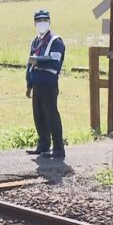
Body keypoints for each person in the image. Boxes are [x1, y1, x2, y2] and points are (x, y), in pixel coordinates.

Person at [25, 9, 66, 159]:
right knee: (39, 116)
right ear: (34, 23)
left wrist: (39, 61)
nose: (42, 23)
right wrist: (29, 83)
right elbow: (29, 64)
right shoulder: (36, 41)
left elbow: (55, 62)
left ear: (49, 22)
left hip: (49, 85)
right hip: (37, 84)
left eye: (44, 20)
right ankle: (43, 145)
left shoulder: (55, 41)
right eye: (39, 20)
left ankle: (58, 148)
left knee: (51, 116)